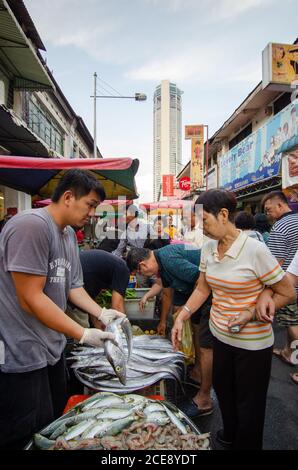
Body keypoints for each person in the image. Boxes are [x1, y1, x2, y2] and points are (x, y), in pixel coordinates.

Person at [0, 169, 125, 450]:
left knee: (52, 427)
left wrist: (102, 313)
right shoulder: (31, 227)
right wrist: (82, 333)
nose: (92, 214)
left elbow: (73, 287)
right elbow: (30, 299)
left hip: (51, 349)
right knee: (23, 434)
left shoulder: (68, 235)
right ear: (68, 197)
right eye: (90, 205)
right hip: (21, 353)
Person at [172, 189, 295, 450]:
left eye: (204, 220)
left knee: (249, 405)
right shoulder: (208, 248)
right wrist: (182, 315)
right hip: (220, 336)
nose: (201, 227)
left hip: (252, 345)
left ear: (224, 215)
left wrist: (253, 311)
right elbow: (203, 288)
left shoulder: (255, 250)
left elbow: (287, 291)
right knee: (224, 393)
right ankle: (229, 433)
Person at [127, 245, 214, 418]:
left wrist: (185, 309)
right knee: (196, 333)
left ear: (143, 265)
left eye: (140, 272)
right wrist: (175, 315)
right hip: (199, 298)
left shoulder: (168, 259)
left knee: (206, 346)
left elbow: (201, 281)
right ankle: (197, 373)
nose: (143, 276)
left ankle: (205, 398)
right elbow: (167, 291)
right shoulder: (161, 264)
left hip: (210, 296)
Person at [262, 190, 298, 366]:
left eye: (269, 209)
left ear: (280, 205)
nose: (268, 213)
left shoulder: (280, 227)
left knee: (292, 323)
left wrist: (266, 288)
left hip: (287, 283)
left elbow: (275, 263)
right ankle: (288, 351)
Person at [66, 249, 130, 328]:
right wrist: (124, 330)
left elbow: (91, 299)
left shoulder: (111, 266)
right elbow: (117, 306)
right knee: (82, 327)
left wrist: (97, 322)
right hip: (74, 283)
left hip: (70, 276)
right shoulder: (123, 269)